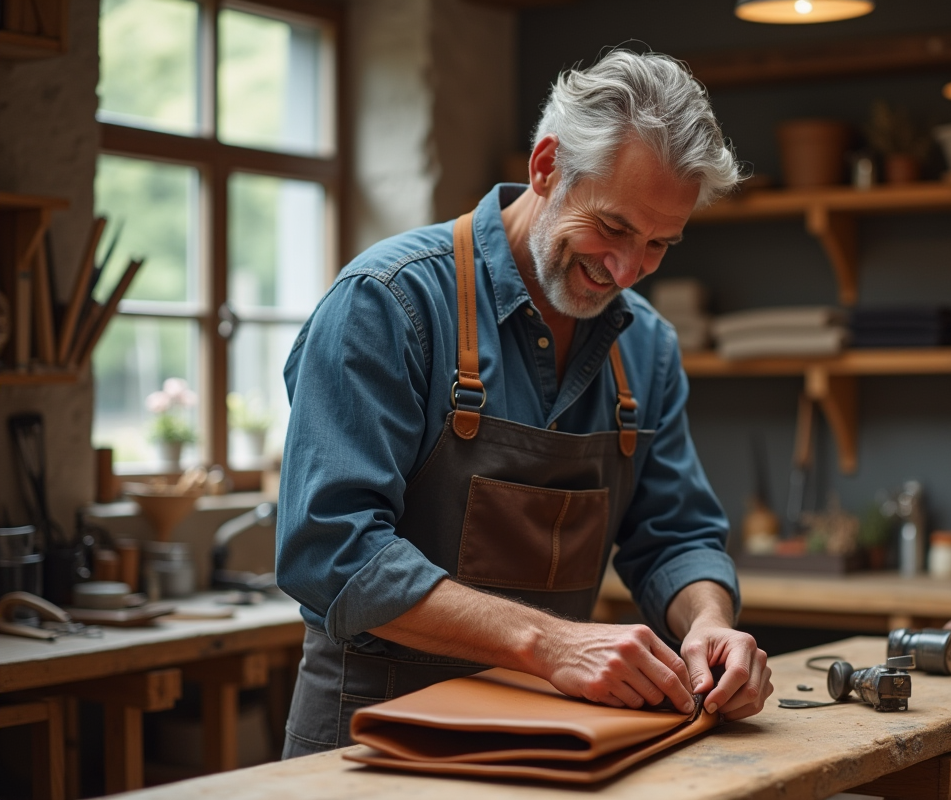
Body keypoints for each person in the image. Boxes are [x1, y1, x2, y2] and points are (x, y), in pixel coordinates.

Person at [276, 49, 773, 759]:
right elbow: (331, 551)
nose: (627, 270)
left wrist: (708, 622)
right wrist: (551, 643)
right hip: (373, 739)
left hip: (552, 742)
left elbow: (675, 536)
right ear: (546, 167)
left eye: (660, 243)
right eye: (613, 227)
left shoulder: (648, 347)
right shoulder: (388, 303)